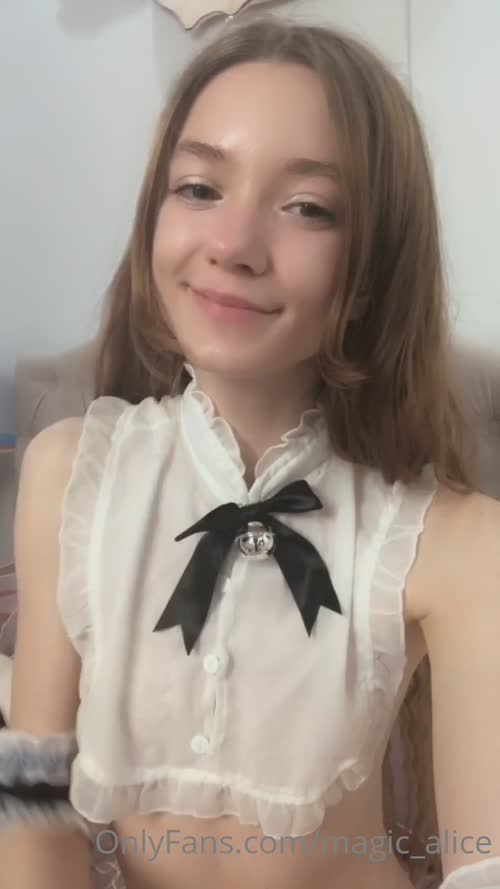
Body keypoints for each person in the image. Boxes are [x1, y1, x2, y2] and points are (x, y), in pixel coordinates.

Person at [1, 12, 499, 889]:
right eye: (199, 187)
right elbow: (36, 800)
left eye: (308, 207)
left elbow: (483, 863)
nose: (232, 245)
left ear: (375, 267)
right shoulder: (67, 477)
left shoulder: (459, 543)